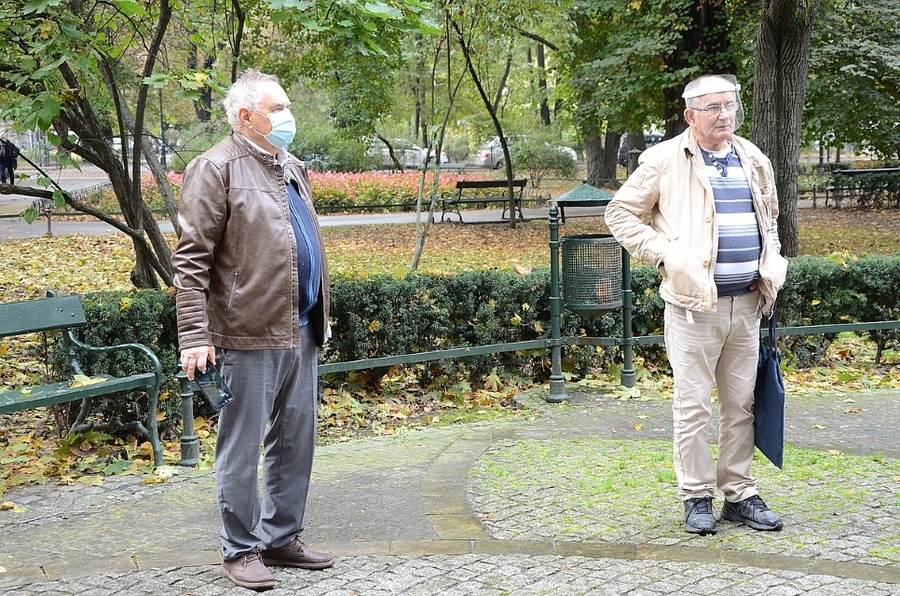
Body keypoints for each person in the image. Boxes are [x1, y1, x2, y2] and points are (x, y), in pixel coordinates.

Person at [604, 74, 789, 536]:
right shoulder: (665, 159)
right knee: (693, 408)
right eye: (713, 108)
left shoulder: (754, 157)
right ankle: (696, 497)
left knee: (741, 405)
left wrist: (772, 261)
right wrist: (665, 253)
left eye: (729, 105)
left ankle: (740, 494)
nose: (725, 114)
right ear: (690, 115)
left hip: (747, 304)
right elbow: (620, 213)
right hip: (693, 308)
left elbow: (770, 218)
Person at [171, 69, 333, 591]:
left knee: (295, 443)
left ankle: (282, 537)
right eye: (278, 108)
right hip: (246, 331)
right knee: (240, 450)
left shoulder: (291, 166)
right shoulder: (214, 167)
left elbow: (299, 242)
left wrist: (319, 313)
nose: (288, 117)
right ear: (246, 117)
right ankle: (240, 550)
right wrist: (195, 334)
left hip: (301, 328)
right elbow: (192, 260)